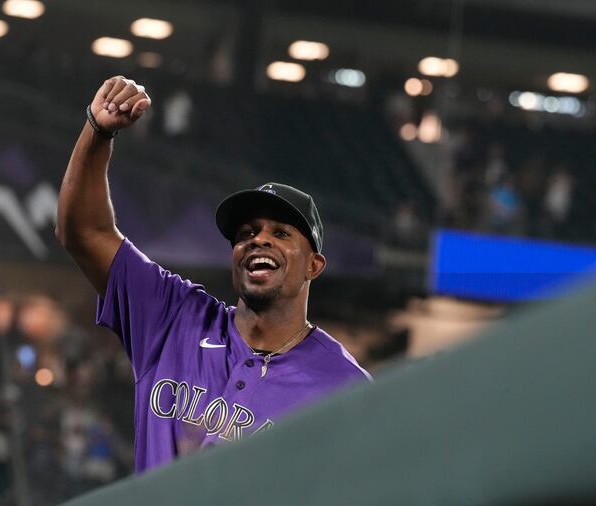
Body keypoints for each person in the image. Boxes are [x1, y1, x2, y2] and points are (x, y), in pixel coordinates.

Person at [56, 76, 371, 472]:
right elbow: (83, 232)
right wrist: (97, 131)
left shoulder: (344, 385)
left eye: (281, 233)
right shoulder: (172, 317)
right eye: (247, 233)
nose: (259, 240)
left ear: (314, 265)